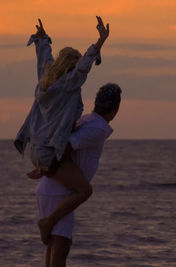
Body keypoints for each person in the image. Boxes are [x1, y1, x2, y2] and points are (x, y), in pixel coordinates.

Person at [14, 17, 110, 244]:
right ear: (71, 67)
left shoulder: (45, 81)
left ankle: (46, 169)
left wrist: (42, 39)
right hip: (48, 150)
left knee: (62, 154)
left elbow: (44, 57)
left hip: (35, 150)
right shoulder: (69, 85)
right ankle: (47, 221)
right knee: (84, 191)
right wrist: (99, 42)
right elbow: (83, 68)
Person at [37, 83, 122, 267]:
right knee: (60, 247)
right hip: (59, 192)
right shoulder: (97, 127)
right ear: (115, 110)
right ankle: (48, 222)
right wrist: (51, 167)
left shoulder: (88, 120)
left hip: (52, 189)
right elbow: (67, 144)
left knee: (55, 246)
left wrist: (47, 168)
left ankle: (47, 223)